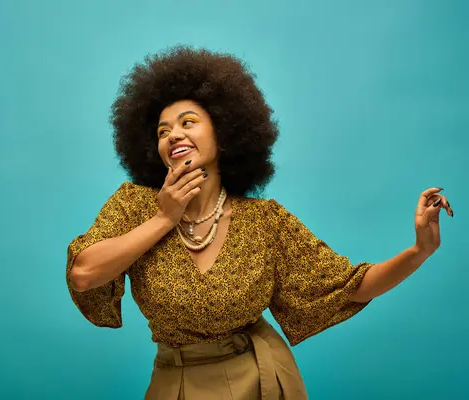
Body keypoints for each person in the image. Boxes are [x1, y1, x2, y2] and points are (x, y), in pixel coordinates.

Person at [65, 46, 453, 399]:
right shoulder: (134, 204)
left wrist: (420, 250)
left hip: (261, 380)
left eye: (188, 122)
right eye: (163, 130)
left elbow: (351, 287)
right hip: (177, 380)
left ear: (225, 132)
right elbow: (84, 273)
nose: (174, 135)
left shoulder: (265, 221)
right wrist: (165, 217)